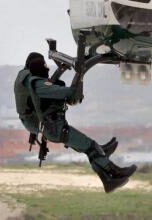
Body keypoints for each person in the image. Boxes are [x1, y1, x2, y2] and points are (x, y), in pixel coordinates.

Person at [14, 52, 136, 193]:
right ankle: (113, 171)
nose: (47, 71)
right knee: (90, 147)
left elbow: (37, 97)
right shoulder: (36, 83)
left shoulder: (24, 78)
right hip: (53, 128)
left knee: (89, 147)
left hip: (49, 127)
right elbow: (64, 92)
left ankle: (107, 176)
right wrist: (77, 82)